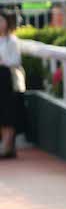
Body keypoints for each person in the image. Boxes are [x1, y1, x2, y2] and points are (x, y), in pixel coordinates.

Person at [0, 13, 24, 158]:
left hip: (7, 82)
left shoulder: (12, 41)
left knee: (8, 114)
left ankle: (8, 147)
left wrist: (2, 61)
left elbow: (15, 60)